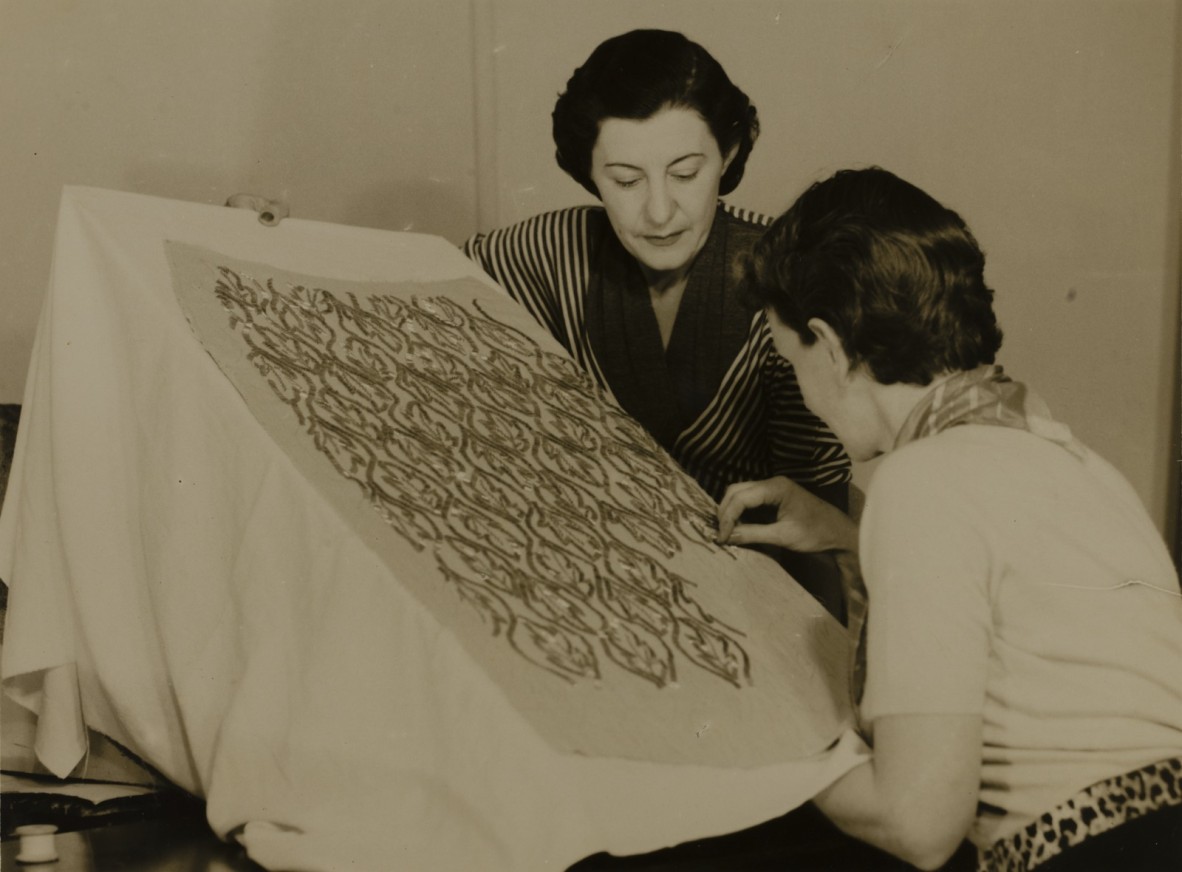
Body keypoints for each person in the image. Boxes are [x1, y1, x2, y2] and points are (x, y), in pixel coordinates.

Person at [704, 167, 1182, 870]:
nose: (803, 391)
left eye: (790, 360)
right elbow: (1010, 589)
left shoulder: (919, 482)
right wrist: (847, 533)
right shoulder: (1067, 457)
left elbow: (917, 820)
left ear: (829, 347)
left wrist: (777, 744)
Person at [462, 31, 851, 608]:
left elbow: (813, 513)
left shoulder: (791, 276)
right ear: (588, 174)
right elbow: (415, 294)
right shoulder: (544, 252)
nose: (660, 210)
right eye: (625, 180)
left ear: (731, 155)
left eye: (686, 173)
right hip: (578, 576)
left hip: (755, 591)